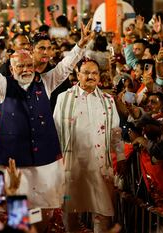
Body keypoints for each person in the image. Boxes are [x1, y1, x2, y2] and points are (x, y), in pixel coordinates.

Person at [0, 21, 92, 230]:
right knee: (16, 212)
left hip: (45, 160)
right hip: (14, 161)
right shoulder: (3, 86)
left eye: (29, 65)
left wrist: (81, 45)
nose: (26, 69)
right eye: (20, 66)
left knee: (46, 211)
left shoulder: (46, 81)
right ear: (11, 69)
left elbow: (65, 66)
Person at [53, 58, 124, 232]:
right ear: (78, 75)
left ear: (99, 76)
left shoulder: (108, 100)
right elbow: (55, 130)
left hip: (100, 166)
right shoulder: (64, 98)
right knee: (70, 210)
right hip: (72, 164)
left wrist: (120, 156)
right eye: (86, 72)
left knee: (102, 211)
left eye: (94, 73)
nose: (90, 76)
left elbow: (116, 131)